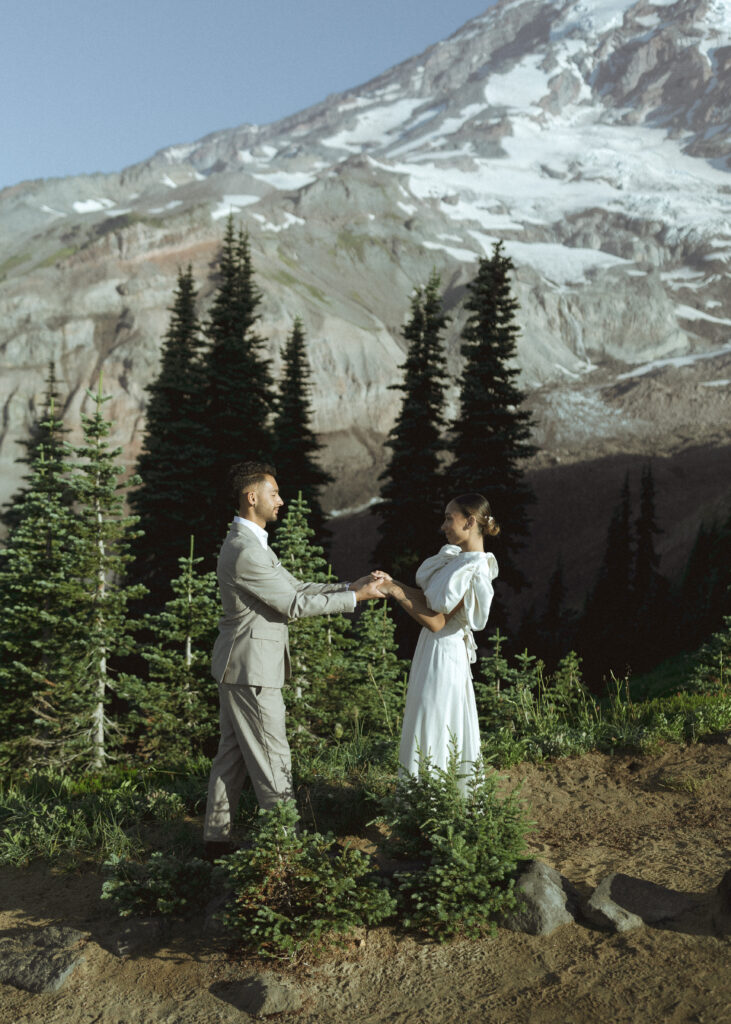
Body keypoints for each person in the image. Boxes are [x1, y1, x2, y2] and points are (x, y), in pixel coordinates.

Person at [203, 461, 385, 860]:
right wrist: (358, 599)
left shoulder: (251, 543)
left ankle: (215, 841)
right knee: (273, 755)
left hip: (241, 664)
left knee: (232, 756)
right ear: (252, 498)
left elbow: (296, 586)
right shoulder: (245, 550)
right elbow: (293, 604)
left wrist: (349, 585)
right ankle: (289, 847)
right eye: (274, 494)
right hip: (252, 668)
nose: (281, 501)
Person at [378, 494, 499, 790]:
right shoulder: (457, 560)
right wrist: (392, 583)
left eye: (449, 518)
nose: (443, 525)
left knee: (433, 724)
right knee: (426, 719)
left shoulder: (475, 569)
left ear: (470, 521)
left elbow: (437, 622)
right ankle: (423, 805)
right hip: (432, 652)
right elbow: (432, 603)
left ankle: (432, 804)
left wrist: (395, 592)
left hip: (445, 658)